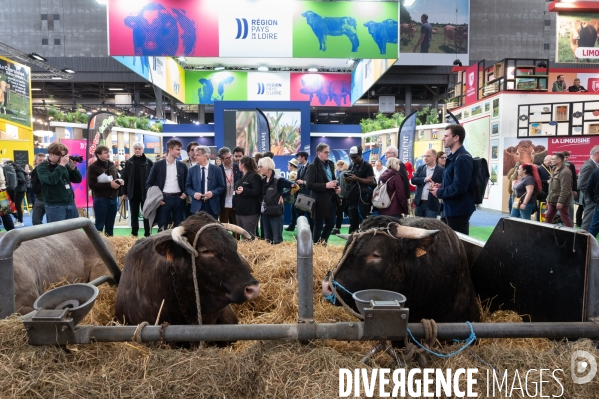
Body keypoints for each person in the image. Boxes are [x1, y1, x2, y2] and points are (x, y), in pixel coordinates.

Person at [430, 125, 475, 235]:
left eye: (446, 136)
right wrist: (441, 186)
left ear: (456, 138)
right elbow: (454, 181)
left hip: (458, 210)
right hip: (450, 208)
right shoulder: (454, 157)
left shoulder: (462, 158)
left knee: (458, 244)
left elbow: (460, 186)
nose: (443, 138)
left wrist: (439, 192)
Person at [145, 139, 188, 231]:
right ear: (170, 150)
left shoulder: (182, 166)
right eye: (177, 149)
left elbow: (188, 183)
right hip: (164, 200)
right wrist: (157, 199)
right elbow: (149, 184)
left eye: (180, 149)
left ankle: (177, 245)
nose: (180, 152)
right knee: (162, 227)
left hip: (179, 199)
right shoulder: (158, 165)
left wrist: (184, 195)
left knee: (179, 229)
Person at [36, 142, 82, 223]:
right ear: (51, 154)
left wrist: (73, 168)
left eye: (64, 155)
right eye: (60, 155)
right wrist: (61, 165)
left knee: (74, 230)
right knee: (57, 233)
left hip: (70, 202)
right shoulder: (42, 167)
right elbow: (51, 180)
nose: (62, 158)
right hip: (54, 205)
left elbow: (77, 179)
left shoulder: (64, 165)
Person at [305, 144, 340, 244]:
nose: (328, 154)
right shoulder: (312, 166)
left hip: (332, 198)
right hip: (319, 200)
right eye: (326, 152)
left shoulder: (330, 164)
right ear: (319, 153)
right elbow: (309, 185)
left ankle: (322, 243)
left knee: (331, 223)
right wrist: (325, 185)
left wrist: (337, 187)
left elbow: (333, 179)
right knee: (318, 225)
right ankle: (317, 246)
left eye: (328, 152)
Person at [258, 157, 296, 244]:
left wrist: (283, 195)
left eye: (261, 166)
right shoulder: (263, 180)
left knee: (277, 239)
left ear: (267, 166)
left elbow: (296, 186)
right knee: (267, 239)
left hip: (276, 212)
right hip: (265, 212)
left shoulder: (279, 179)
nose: (259, 169)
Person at [87, 145, 121, 236]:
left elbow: (116, 178)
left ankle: (108, 246)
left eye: (108, 152)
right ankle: (96, 246)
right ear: (98, 155)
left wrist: (119, 182)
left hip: (113, 199)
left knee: (110, 226)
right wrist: (110, 184)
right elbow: (92, 185)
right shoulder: (93, 167)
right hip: (101, 199)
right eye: (105, 153)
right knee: (99, 226)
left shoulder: (112, 165)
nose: (108, 154)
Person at [122, 142, 154, 237]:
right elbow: (125, 178)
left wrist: (152, 192)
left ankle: (147, 234)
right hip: (132, 193)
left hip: (146, 193)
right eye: (135, 148)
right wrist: (124, 192)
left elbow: (153, 179)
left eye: (139, 148)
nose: (137, 150)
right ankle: (134, 233)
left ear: (142, 150)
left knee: (146, 214)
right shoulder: (129, 162)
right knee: (134, 215)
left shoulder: (149, 162)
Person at [185, 145, 225, 220]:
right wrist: (194, 194)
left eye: (198, 155)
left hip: (212, 206)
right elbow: (187, 187)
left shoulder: (217, 170)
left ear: (206, 156)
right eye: (194, 155)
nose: (195, 157)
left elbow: (221, 187)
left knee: (212, 229)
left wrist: (213, 193)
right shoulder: (191, 170)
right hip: (196, 206)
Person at [345, 146, 376, 233]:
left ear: (360, 155)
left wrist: (357, 178)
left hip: (363, 199)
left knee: (364, 223)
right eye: (351, 157)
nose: (353, 159)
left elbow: (371, 181)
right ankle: (351, 243)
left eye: (355, 157)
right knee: (352, 223)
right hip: (352, 198)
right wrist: (347, 179)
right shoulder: (351, 166)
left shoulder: (367, 166)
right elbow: (349, 182)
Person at [233, 156, 262, 239]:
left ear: (243, 165)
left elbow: (257, 191)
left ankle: (251, 251)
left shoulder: (254, 176)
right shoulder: (242, 176)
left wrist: (244, 190)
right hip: (240, 211)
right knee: (244, 236)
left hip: (249, 212)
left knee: (249, 236)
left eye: (239, 163)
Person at [411, 149, 444, 218]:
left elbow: (445, 184)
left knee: (429, 227)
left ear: (434, 157)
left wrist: (437, 186)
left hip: (432, 205)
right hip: (419, 203)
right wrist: (425, 179)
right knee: (418, 227)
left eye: (428, 156)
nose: (425, 158)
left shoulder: (441, 170)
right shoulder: (420, 168)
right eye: (424, 156)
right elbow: (413, 180)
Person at [543, 153, 573, 227]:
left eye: (553, 159)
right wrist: (548, 198)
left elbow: (565, 188)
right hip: (552, 199)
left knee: (565, 218)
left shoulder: (565, 172)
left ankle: (571, 235)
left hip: (561, 201)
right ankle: (544, 233)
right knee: (548, 217)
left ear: (559, 160)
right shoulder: (553, 169)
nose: (551, 161)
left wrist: (560, 201)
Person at [217, 146, 242, 230]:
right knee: (223, 225)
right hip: (223, 201)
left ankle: (237, 241)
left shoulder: (238, 167)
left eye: (230, 156)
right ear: (222, 159)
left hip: (236, 200)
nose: (230, 159)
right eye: (227, 158)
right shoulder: (217, 169)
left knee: (236, 225)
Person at [577, 146, 599, 231]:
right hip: (591, 199)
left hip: (593, 199)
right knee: (588, 222)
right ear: (597, 154)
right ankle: (582, 242)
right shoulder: (589, 165)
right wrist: (593, 196)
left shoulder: (593, 164)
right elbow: (581, 184)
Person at [294, 151, 313, 229]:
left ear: (303, 157)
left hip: (309, 196)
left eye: (299, 157)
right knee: (300, 215)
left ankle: (312, 233)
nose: (297, 159)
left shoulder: (311, 167)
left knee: (310, 217)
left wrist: (303, 182)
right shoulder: (300, 168)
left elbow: (314, 181)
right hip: (300, 195)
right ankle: (301, 233)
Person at [6, 162, 26, 227]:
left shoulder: (18, 171)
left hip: (20, 190)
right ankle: (18, 219)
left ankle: (20, 221)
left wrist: (13, 178)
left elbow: (23, 180)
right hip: (16, 190)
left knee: (18, 206)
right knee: (15, 206)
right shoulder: (15, 171)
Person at [30, 153, 47, 225]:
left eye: (44, 160)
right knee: (35, 221)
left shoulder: (49, 170)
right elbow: (35, 187)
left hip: (50, 200)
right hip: (39, 199)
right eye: (40, 160)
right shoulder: (34, 171)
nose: (42, 161)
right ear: (36, 161)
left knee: (53, 223)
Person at [332, 160, 349, 234]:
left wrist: (341, 197)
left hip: (342, 197)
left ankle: (337, 228)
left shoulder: (342, 174)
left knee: (339, 213)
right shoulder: (346, 172)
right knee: (347, 212)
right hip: (347, 196)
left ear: (339, 166)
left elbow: (342, 187)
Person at [285, 158, 300, 231]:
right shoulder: (297, 172)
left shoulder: (292, 173)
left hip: (294, 195)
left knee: (294, 211)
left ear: (292, 166)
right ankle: (292, 225)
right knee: (295, 211)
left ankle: (292, 226)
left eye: (289, 165)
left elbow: (292, 185)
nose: (287, 166)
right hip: (298, 195)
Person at [0, 165, 14, 231]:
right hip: (2, 191)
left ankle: (12, 232)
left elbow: (2, 180)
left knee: (5, 214)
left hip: (1, 192)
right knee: (5, 214)